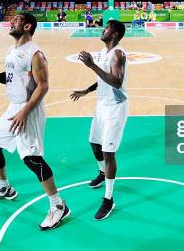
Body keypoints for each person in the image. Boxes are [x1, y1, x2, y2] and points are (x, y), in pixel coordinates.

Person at [0, 13, 70, 230]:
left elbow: (43, 86)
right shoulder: (11, 51)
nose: (11, 22)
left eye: (17, 20)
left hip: (28, 109)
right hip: (13, 107)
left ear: (27, 26)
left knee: (32, 159)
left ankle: (58, 206)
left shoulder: (35, 53)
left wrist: (25, 113)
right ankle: (4, 187)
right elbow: (12, 77)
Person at [70, 20, 128, 220]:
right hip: (101, 105)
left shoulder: (118, 54)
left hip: (115, 107)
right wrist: (86, 90)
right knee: (94, 144)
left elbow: (117, 82)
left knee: (108, 152)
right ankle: (103, 173)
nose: (103, 29)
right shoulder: (104, 53)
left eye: (106, 28)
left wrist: (92, 65)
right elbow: (103, 78)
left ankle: (109, 199)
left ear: (115, 34)